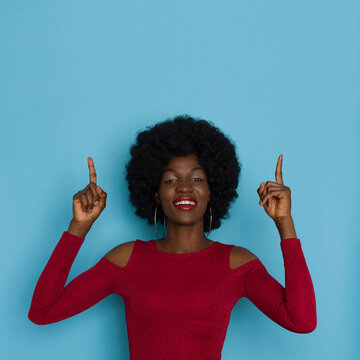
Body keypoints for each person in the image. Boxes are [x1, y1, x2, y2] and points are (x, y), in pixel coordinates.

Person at [28, 115, 317, 359]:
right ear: (155, 192)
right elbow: (43, 311)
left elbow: (301, 321)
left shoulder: (236, 263)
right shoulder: (127, 258)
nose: (183, 188)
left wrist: (284, 223)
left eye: (196, 178)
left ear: (212, 189)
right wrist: (78, 227)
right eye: (169, 180)